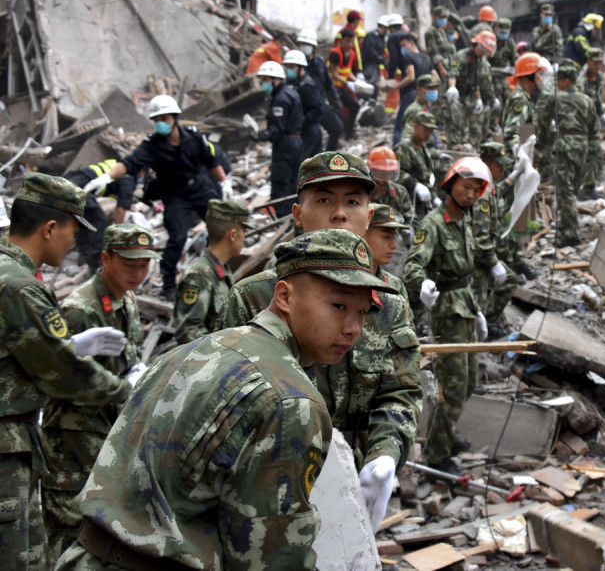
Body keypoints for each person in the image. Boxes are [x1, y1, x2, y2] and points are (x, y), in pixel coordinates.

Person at [55, 229, 395, 570]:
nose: (353, 328)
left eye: (363, 312)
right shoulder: (291, 401)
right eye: (338, 306)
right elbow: (269, 557)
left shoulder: (191, 352)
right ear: (284, 297)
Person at [216, 153, 422, 529]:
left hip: (351, 479)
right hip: (265, 488)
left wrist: (385, 453)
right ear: (298, 214)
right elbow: (225, 406)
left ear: (369, 216)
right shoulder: (253, 296)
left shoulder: (390, 298)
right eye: (324, 200)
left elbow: (400, 391)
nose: (339, 214)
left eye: (352, 202)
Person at [0, 173, 133, 569]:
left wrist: (70, 345)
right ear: (49, 228)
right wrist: (128, 390)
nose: (73, 241)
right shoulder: (19, 286)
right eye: (73, 231)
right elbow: (65, 374)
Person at [40, 223, 157, 556]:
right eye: (129, 264)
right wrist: (123, 387)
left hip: (107, 433)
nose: (137, 273)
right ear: (106, 259)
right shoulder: (81, 309)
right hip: (73, 440)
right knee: (68, 528)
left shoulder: (126, 299)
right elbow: (64, 380)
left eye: (144, 265)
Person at [83, 95, 230, 300]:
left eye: (165, 118)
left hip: (200, 188)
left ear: (175, 118)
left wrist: (224, 182)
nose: (161, 123)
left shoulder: (193, 137)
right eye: (157, 120)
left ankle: (221, 272)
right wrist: (106, 177)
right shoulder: (152, 145)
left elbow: (211, 160)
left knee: (220, 228)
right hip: (175, 194)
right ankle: (168, 284)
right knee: (177, 237)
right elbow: (129, 163)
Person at [403, 156, 492, 474]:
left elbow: (467, 271)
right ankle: (437, 455)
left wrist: (477, 311)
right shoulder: (434, 223)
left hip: (465, 304)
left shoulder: (464, 220)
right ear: (450, 184)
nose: (471, 195)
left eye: (476, 190)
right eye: (466, 187)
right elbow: (413, 264)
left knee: (468, 381)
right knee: (452, 383)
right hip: (447, 310)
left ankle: (445, 432)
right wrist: (423, 284)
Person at [172, 200, 250, 346]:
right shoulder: (200, 274)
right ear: (233, 235)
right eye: (244, 232)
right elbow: (188, 331)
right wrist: (225, 349)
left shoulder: (221, 270)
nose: (244, 237)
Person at [542, 60, 599, 248]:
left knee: (564, 190)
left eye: (559, 80)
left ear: (566, 80)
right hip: (582, 147)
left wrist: (543, 142)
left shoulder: (556, 98)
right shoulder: (587, 100)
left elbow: (543, 122)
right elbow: (594, 129)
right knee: (572, 189)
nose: (557, 84)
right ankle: (568, 222)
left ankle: (571, 233)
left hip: (564, 145)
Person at [473, 142, 520, 338]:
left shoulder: (488, 186)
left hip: (483, 256)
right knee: (476, 301)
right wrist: (493, 262)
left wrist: (514, 177)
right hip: (477, 259)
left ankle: (486, 324)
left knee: (508, 281)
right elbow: (479, 237)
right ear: (487, 163)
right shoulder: (482, 193)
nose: (503, 169)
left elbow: (499, 190)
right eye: (499, 165)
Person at [64, 159, 136, 273]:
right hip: (79, 188)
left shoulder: (115, 164)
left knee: (85, 222)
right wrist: (117, 234)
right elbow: (121, 210)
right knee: (99, 223)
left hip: (71, 182)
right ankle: (98, 266)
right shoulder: (128, 178)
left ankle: (84, 258)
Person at [254, 60, 303, 217]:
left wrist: (261, 135)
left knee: (281, 182)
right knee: (293, 182)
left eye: (265, 79)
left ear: (276, 79)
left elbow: (276, 129)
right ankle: (293, 215)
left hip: (284, 145)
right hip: (295, 142)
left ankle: (282, 216)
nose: (263, 83)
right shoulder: (291, 93)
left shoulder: (280, 99)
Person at [447, 31, 498, 146]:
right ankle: (452, 149)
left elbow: (475, 82)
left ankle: (465, 146)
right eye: (483, 49)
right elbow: (453, 73)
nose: (484, 53)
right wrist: (452, 88)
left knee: (463, 124)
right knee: (453, 125)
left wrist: (478, 99)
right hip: (453, 95)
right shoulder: (462, 56)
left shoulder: (479, 60)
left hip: (465, 94)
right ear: (476, 45)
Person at [298, 28, 344, 150]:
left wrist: (336, 103)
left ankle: (328, 157)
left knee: (337, 128)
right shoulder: (296, 64)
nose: (304, 47)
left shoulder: (319, 63)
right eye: (302, 44)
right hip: (304, 108)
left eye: (307, 44)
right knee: (312, 136)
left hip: (319, 103)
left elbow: (329, 85)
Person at [396, 111, 448, 220]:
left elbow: (425, 178)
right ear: (415, 126)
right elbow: (398, 172)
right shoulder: (405, 147)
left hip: (424, 199)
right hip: (410, 200)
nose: (428, 133)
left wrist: (434, 197)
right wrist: (415, 184)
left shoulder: (423, 147)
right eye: (425, 129)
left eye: (431, 130)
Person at [501, 51, 551, 152]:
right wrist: (519, 152)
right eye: (539, 74)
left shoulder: (525, 97)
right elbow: (511, 133)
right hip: (518, 159)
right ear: (530, 75)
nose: (541, 79)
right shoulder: (520, 99)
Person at [391, 32, 433, 146]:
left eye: (404, 45)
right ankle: (432, 150)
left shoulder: (408, 58)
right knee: (427, 124)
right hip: (425, 96)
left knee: (400, 125)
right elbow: (436, 78)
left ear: (412, 43)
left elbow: (411, 77)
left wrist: (396, 86)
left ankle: (398, 151)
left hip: (410, 95)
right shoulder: (426, 58)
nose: (402, 49)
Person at [577, 48, 605, 198]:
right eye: (595, 63)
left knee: (595, 153)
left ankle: (589, 186)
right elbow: (580, 103)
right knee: (584, 154)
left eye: (600, 63)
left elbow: (597, 98)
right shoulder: (582, 80)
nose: (598, 66)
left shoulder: (599, 77)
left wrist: (602, 113)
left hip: (593, 121)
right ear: (589, 61)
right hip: (582, 121)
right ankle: (581, 187)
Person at [284, 49, 324, 162]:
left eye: (292, 67)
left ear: (300, 67)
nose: (289, 70)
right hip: (300, 131)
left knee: (302, 163)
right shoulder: (292, 82)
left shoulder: (307, 86)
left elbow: (318, 109)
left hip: (310, 131)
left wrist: (302, 120)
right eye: (288, 67)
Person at [368, 146, 415, 227]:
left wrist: (408, 229)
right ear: (372, 170)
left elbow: (411, 217)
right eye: (382, 171)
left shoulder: (400, 192)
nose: (386, 175)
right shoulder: (364, 193)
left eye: (389, 171)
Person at [328, 27, 362, 136]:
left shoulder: (351, 53)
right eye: (347, 41)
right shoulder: (336, 54)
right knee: (337, 110)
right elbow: (334, 73)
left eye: (351, 41)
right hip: (332, 87)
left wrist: (357, 81)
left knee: (355, 106)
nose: (350, 44)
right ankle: (339, 132)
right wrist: (348, 83)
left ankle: (348, 132)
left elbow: (347, 71)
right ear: (342, 41)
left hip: (341, 86)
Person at [401, 74, 447, 148]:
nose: (433, 91)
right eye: (430, 88)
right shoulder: (414, 110)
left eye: (435, 88)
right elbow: (408, 138)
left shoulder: (426, 107)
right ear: (419, 89)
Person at [426, 6, 456, 82]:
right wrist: (441, 68)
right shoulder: (430, 33)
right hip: (439, 69)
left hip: (448, 65)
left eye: (444, 17)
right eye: (441, 17)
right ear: (434, 17)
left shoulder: (441, 31)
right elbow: (434, 53)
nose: (443, 20)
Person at [362, 16, 388, 90]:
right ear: (382, 27)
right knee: (371, 86)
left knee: (375, 86)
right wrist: (381, 59)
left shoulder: (380, 37)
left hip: (376, 65)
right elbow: (371, 51)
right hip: (369, 65)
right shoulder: (372, 36)